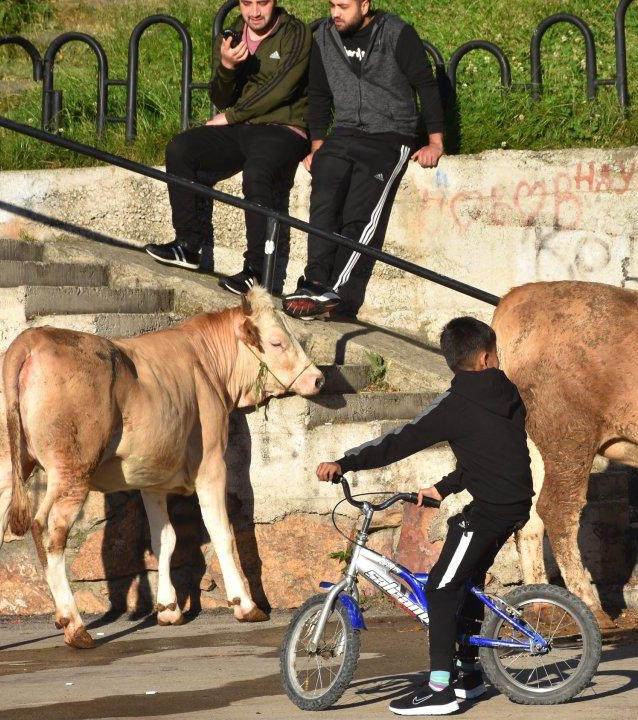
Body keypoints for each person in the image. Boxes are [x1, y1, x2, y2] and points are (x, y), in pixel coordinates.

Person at [316, 317, 532, 715]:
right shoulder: (508, 393)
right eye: (496, 354)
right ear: (486, 358)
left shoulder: (455, 404)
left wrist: (346, 463)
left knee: (440, 589)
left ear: (454, 361)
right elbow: (494, 454)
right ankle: (469, 675)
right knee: (465, 581)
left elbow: (400, 441)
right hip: (514, 502)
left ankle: (440, 690)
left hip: (490, 510)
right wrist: (443, 488)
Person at [282, 0, 445, 319]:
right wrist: (318, 147)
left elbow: (426, 86)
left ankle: (333, 291)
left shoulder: (397, 33)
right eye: (332, 5)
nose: (335, 13)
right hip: (344, 132)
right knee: (324, 199)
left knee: (360, 214)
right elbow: (319, 95)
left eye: (343, 6)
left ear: (365, 5)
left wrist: (435, 142)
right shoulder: (324, 37)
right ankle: (314, 282)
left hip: (390, 136)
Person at [145, 0, 310, 296]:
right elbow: (220, 97)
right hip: (243, 127)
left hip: (283, 129)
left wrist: (233, 116)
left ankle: (256, 271)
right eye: (247, 3)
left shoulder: (295, 33)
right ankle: (187, 245)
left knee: (257, 172)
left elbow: (280, 89)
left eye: (263, 3)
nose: (254, 11)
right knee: (181, 149)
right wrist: (227, 66)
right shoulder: (234, 33)